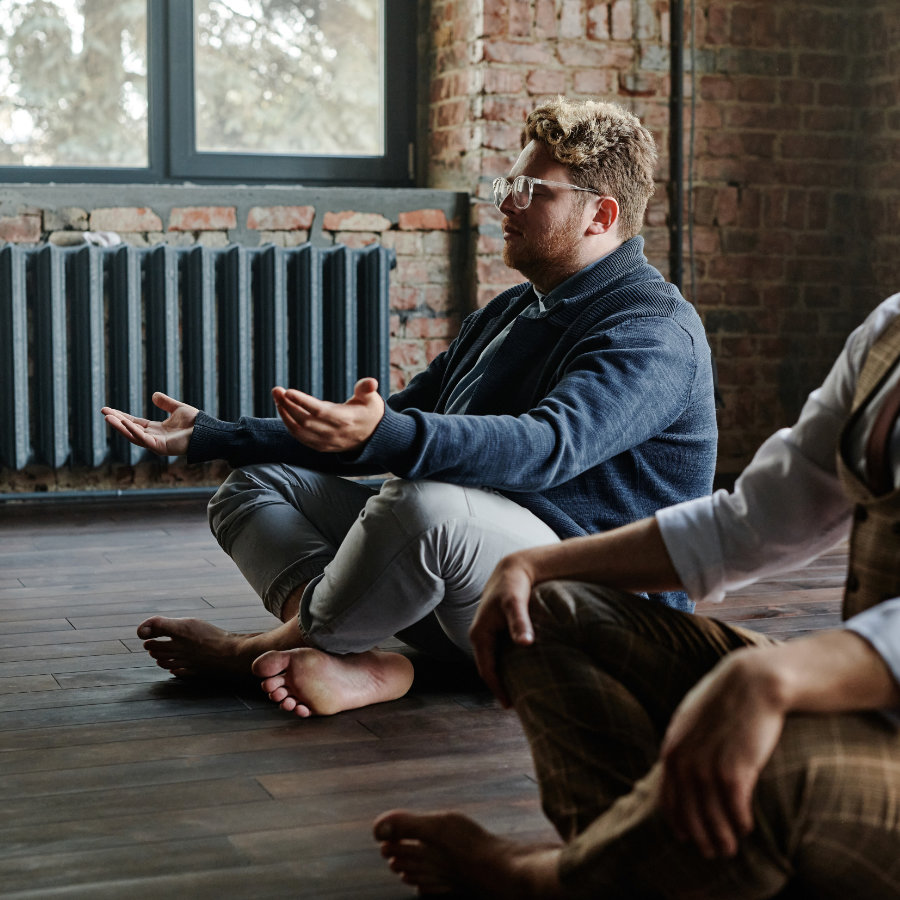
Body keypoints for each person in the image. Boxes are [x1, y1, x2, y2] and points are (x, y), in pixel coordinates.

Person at [101, 97, 717, 718]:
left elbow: (546, 447)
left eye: (533, 190)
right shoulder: (511, 311)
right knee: (255, 485)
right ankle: (351, 651)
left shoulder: (654, 330)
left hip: (595, 624)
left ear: (600, 215)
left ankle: (259, 652)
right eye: (509, 184)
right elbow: (379, 430)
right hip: (483, 587)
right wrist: (210, 434)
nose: (506, 202)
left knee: (426, 505)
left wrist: (391, 433)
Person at [374, 291, 900, 898]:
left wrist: (769, 676)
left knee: (767, 770)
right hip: (863, 702)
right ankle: (631, 864)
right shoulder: (887, 330)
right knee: (542, 611)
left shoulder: (654, 325)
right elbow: (752, 522)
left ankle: (533, 878)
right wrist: (536, 564)